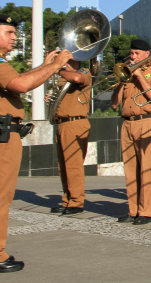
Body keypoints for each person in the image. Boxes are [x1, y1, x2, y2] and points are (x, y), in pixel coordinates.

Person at [0, 14, 72, 273]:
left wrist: (44, 66)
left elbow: (16, 81)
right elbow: (21, 85)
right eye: (10, 32)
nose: (14, 38)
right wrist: (56, 65)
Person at [111, 39, 151, 225]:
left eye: (136, 54)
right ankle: (133, 209)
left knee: (146, 169)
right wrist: (121, 82)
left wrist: (139, 76)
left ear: (146, 54)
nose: (133, 57)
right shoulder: (126, 74)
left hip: (147, 122)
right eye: (132, 53)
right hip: (127, 124)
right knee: (130, 170)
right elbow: (114, 104)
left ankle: (146, 211)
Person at [50, 58, 92, 215]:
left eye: (69, 61)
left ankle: (76, 201)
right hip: (62, 123)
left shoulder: (84, 72)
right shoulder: (63, 78)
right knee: (63, 166)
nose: (65, 63)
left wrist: (58, 69)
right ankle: (67, 199)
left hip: (75, 123)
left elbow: (77, 79)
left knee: (73, 165)